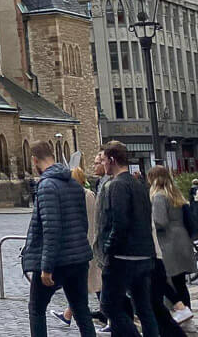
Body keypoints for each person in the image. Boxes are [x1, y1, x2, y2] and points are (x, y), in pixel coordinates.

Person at [22, 141, 96, 337]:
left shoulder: (46, 185)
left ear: (35, 160)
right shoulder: (73, 183)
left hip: (57, 262)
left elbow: (51, 228)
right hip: (79, 259)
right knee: (81, 310)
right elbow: (82, 222)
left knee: (36, 309)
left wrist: (46, 267)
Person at [98, 141, 159, 337]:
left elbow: (120, 221)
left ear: (112, 160)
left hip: (123, 257)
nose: (104, 164)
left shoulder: (117, 185)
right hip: (144, 255)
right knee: (144, 308)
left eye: (105, 160)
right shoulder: (139, 184)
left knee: (109, 306)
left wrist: (109, 248)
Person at [53, 166, 104, 328]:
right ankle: (68, 314)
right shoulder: (85, 194)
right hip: (86, 242)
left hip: (87, 243)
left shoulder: (84, 195)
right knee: (91, 283)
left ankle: (110, 318)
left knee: (93, 283)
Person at [148, 165, 195, 324]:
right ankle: (186, 314)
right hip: (182, 240)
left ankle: (180, 313)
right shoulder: (175, 194)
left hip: (168, 242)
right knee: (180, 283)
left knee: (166, 280)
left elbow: (160, 221)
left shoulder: (159, 196)